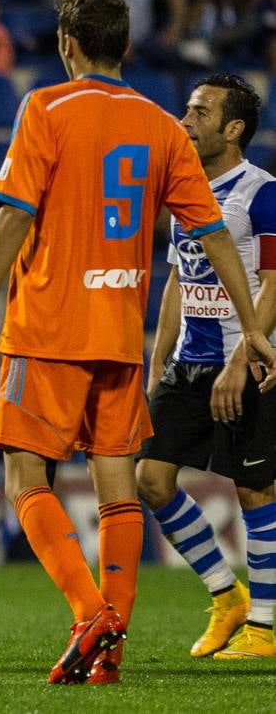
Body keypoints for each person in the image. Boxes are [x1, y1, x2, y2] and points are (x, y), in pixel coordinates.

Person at [0, 0, 276, 685]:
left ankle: (88, 614)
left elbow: (13, 215)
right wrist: (252, 328)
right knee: (117, 488)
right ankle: (113, 653)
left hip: (46, 326)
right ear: (126, 47)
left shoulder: (45, 106)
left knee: (24, 476)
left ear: (68, 44)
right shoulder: (163, 128)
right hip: (118, 330)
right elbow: (213, 234)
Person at [139, 74, 276, 661]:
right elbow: (178, 277)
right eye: (188, 109)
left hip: (244, 365)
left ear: (234, 128)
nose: (186, 119)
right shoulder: (183, 188)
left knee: (253, 488)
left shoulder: (262, 192)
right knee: (150, 478)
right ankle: (228, 597)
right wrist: (156, 360)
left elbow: (275, 283)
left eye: (200, 112)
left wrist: (242, 358)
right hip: (187, 363)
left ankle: (265, 632)